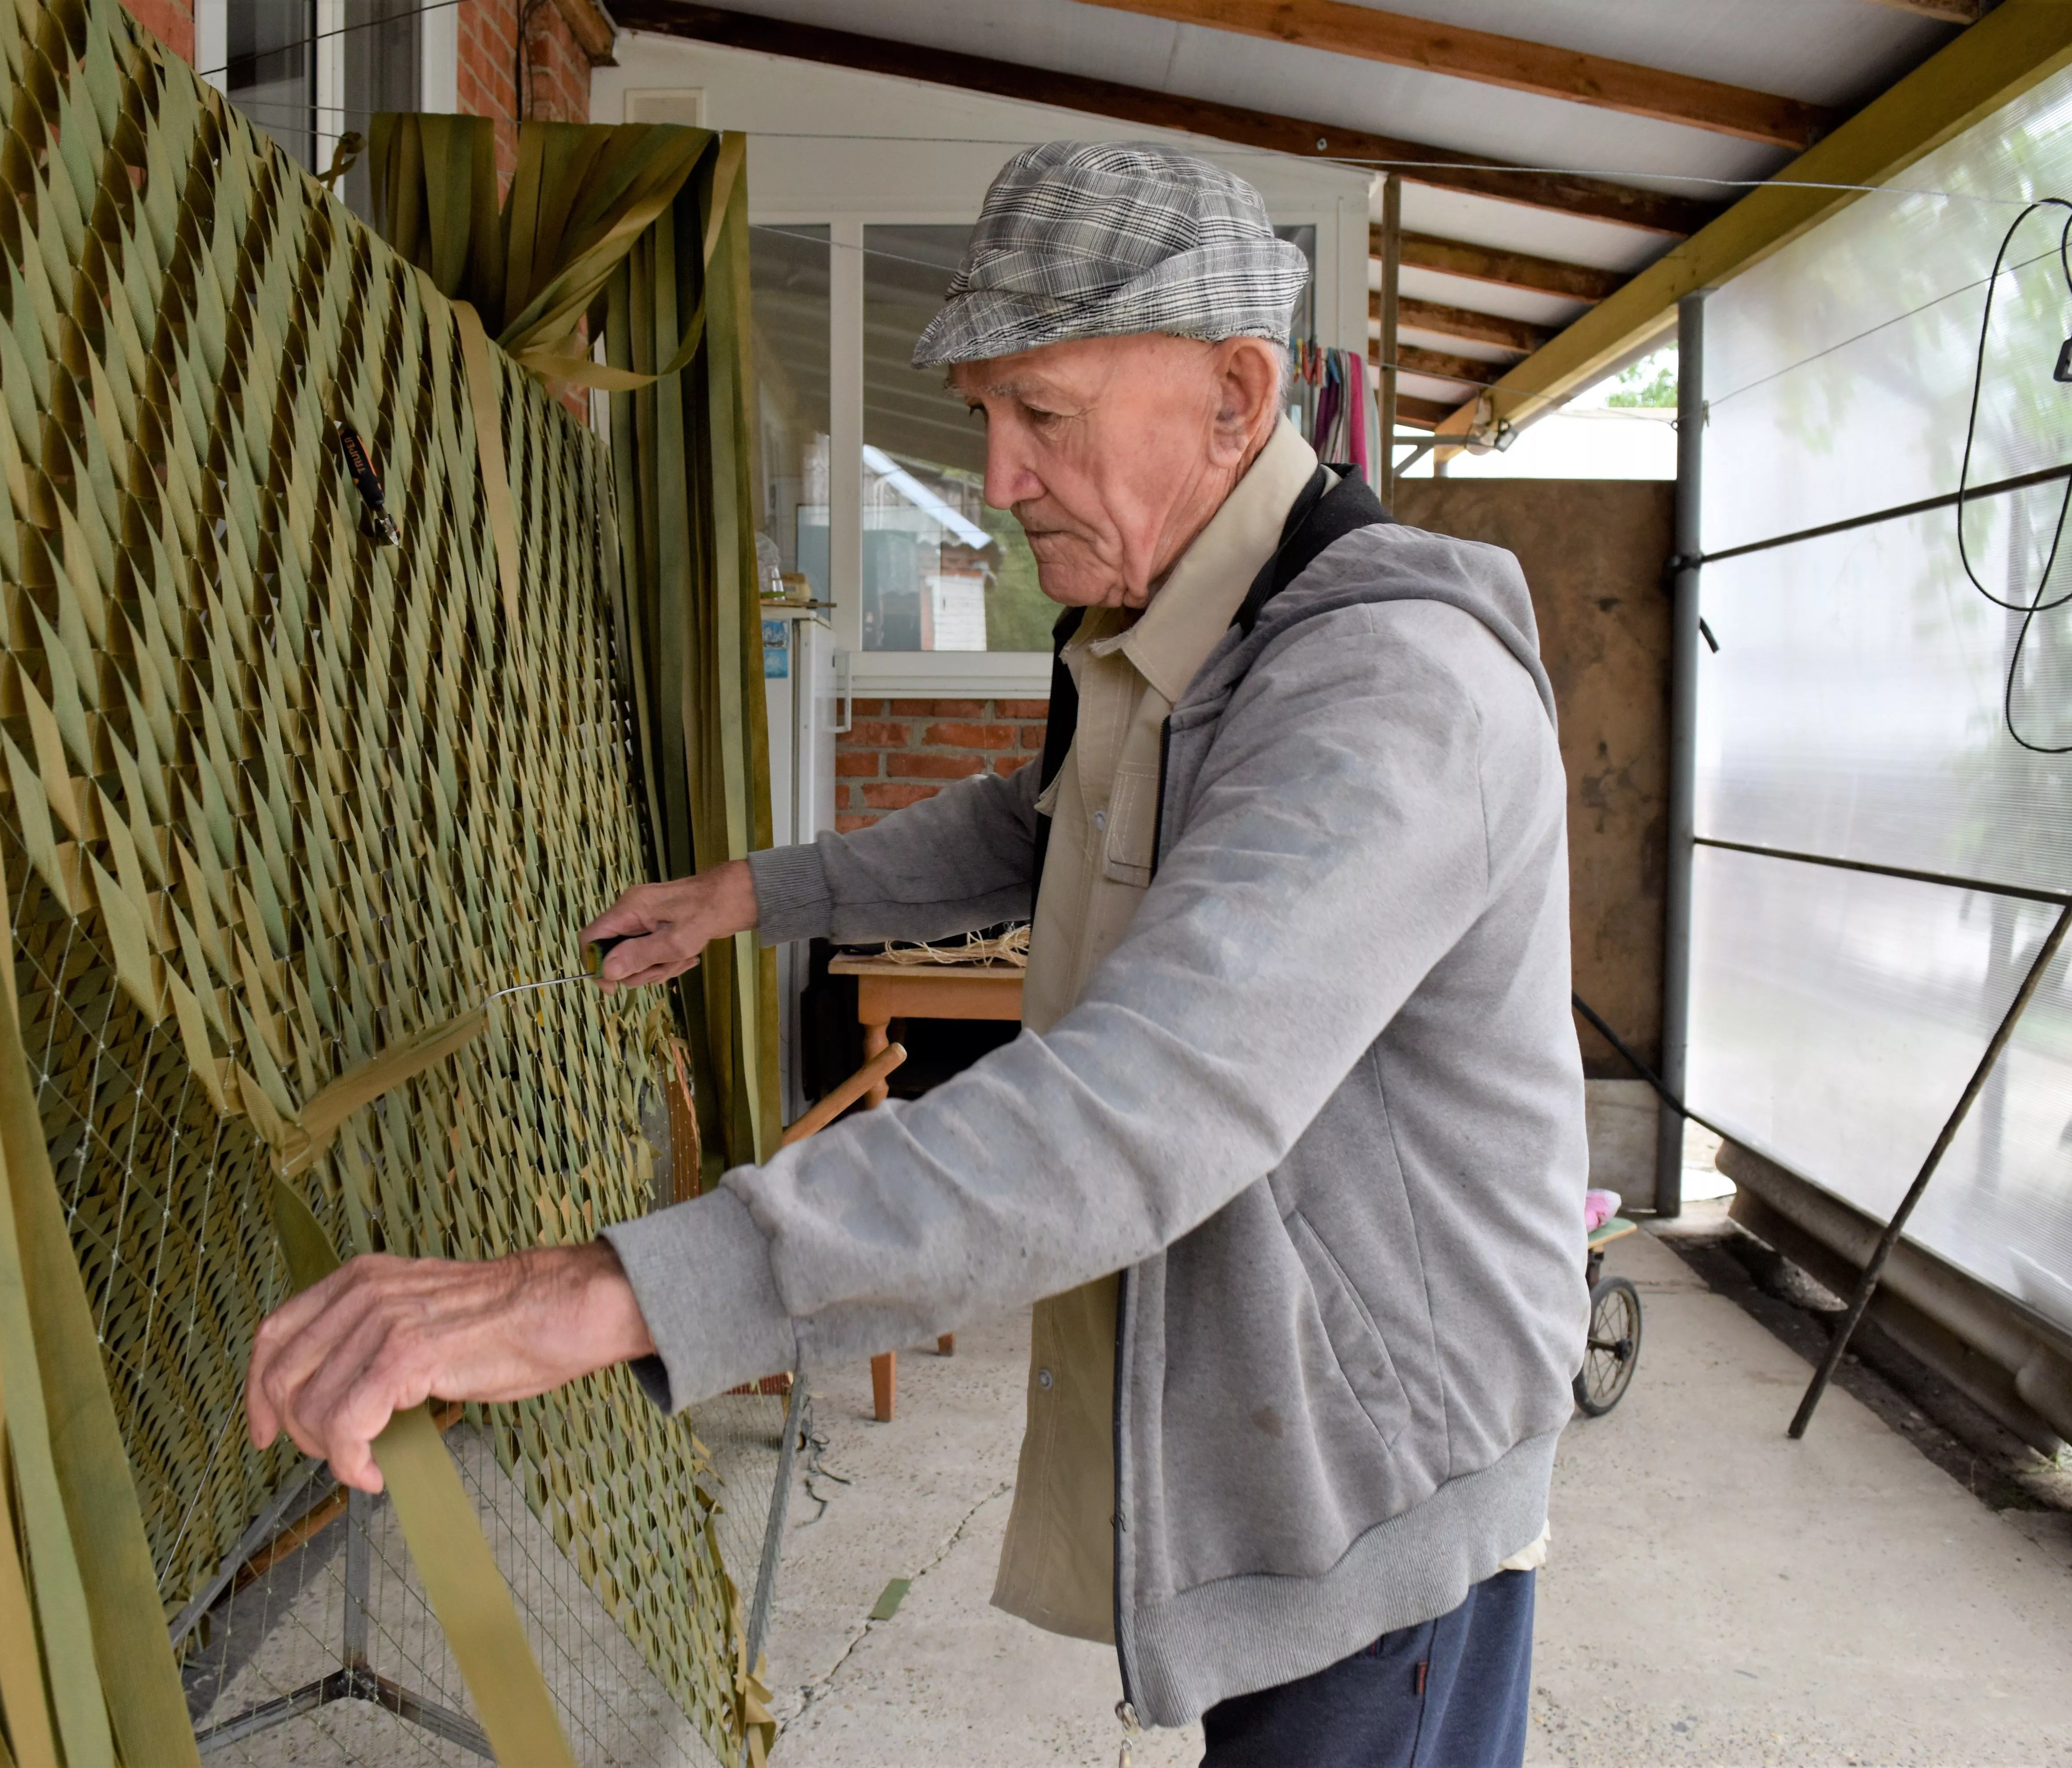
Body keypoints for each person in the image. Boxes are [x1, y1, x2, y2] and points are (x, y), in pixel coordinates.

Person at [247, 140, 1588, 1767]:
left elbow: (1141, 1107)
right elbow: (1034, 825)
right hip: (1277, 1450)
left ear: (1236, 397)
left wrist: (609, 1292)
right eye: (984, 419)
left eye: (1045, 416)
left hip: (1389, 1508)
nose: (998, 479)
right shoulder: (1165, 640)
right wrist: (753, 893)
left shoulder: (1389, 703)